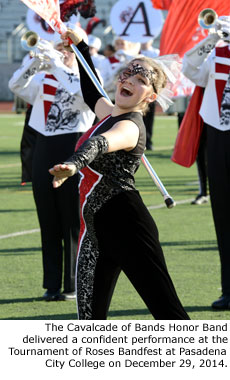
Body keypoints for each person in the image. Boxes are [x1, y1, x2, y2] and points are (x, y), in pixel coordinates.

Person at [49, 28, 190, 320]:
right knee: (89, 320)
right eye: (128, 74)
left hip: (129, 227)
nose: (129, 80)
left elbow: (101, 144)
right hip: (94, 231)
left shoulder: (130, 126)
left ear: (150, 96)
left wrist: (74, 164)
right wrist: (82, 48)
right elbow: (92, 92)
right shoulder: (110, 113)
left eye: (141, 80)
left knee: (169, 314)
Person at [8, 27, 95, 301]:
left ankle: (71, 284)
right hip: (44, 144)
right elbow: (15, 86)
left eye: (69, 51)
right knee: (47, 217)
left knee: (71, 218)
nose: (64, 54)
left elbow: (81, 95)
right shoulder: (46, 77)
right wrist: (35, 62)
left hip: (73, 146)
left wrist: (57, 63)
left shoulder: (87, 80)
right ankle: (52, 284)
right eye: (61, 49)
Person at [182, 15, 230, 309]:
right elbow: (189, 68)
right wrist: (212, 38)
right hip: (219, 137)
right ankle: (229, 290)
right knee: (223, 218)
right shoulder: (217, 56)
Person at [140, 39, 160, 150]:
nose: (144, 42)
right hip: (139, 90)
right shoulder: (136, 51)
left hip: (151, 89)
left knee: (149, 117)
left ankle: (148, 141)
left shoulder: (156, 53)